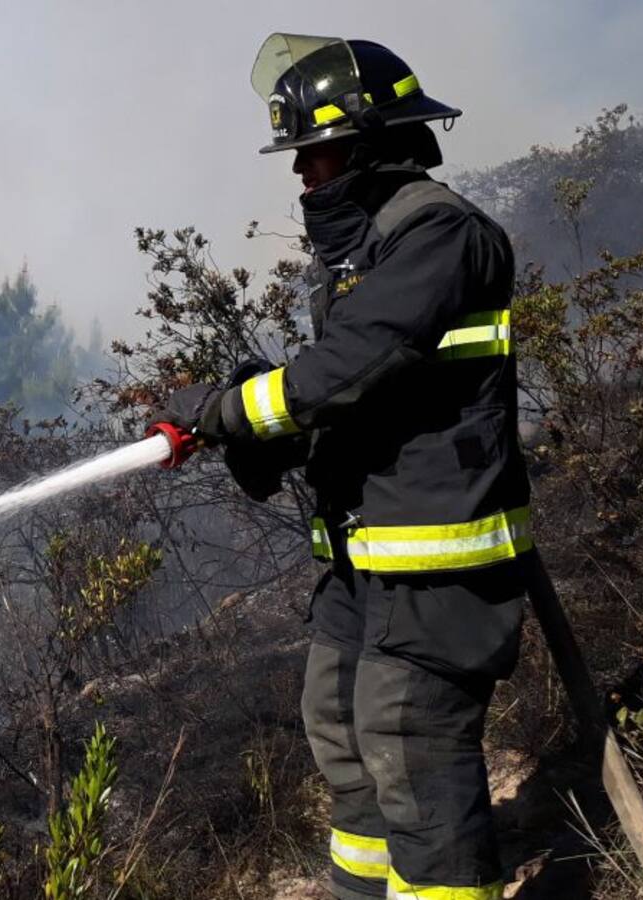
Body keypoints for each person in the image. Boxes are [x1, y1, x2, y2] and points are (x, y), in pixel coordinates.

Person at [150, 35, 531, 900]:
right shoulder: (368, 259)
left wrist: (225, 408)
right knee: (340, 731)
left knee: (411, 749)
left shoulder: (440, 234)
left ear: (365, 145)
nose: (302, 177)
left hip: (438, 566)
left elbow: (348, 369)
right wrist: (248, 429)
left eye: (312, 155)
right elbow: (354, 398)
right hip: (365, 561)